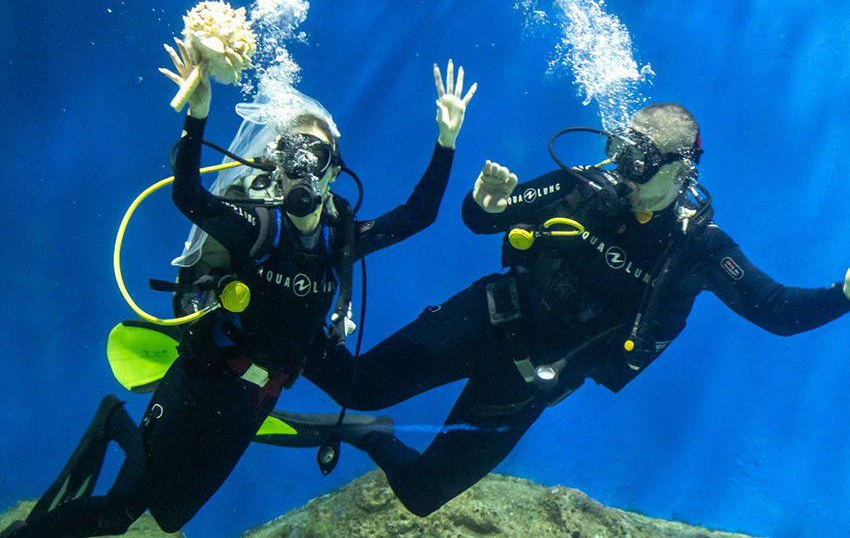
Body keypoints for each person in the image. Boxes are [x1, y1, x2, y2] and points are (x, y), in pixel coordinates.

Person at [270, 102, 850, 517]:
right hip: (489, 313)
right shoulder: (583, 187)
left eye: (639, 164)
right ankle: (261, 331)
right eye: (619, 152)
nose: (621, 172)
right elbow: (482, 220)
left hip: (529, 380)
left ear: (681, 168)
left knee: (421, 496)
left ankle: (369, 434)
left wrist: (843, 294)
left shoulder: (698, 248)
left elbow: (777, 311)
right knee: (361, 384)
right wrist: (484, 203)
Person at [0, 38, 477, 538]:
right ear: (275, 161)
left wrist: (446, 142)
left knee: (170, 518)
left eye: (316, 152)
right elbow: (189, 197)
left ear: (335, 167)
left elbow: (417, 216)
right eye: (291, 150)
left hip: (258, 395)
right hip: (202, 378)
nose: (303, 164)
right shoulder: (257, 225)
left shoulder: (342, 236)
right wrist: (197, 116)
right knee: (124, 510)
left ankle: (348, 430)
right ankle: (98, 438)